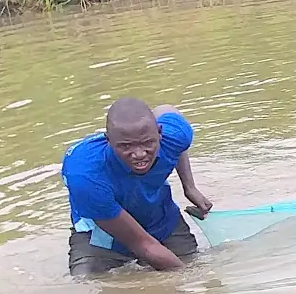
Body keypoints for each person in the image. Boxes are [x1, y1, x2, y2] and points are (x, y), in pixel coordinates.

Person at [62, 98, 213, 276]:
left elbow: (166, 108)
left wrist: (189, 186)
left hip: (160, 221)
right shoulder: (85, 175)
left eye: (148, 142)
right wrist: (188, 276)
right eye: (126, 146)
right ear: (107, 140)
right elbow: (143, 244)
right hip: (101, 236)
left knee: (193, 264)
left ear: (160, 133)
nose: (139, 154)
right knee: (85, 283)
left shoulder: (174, 136)